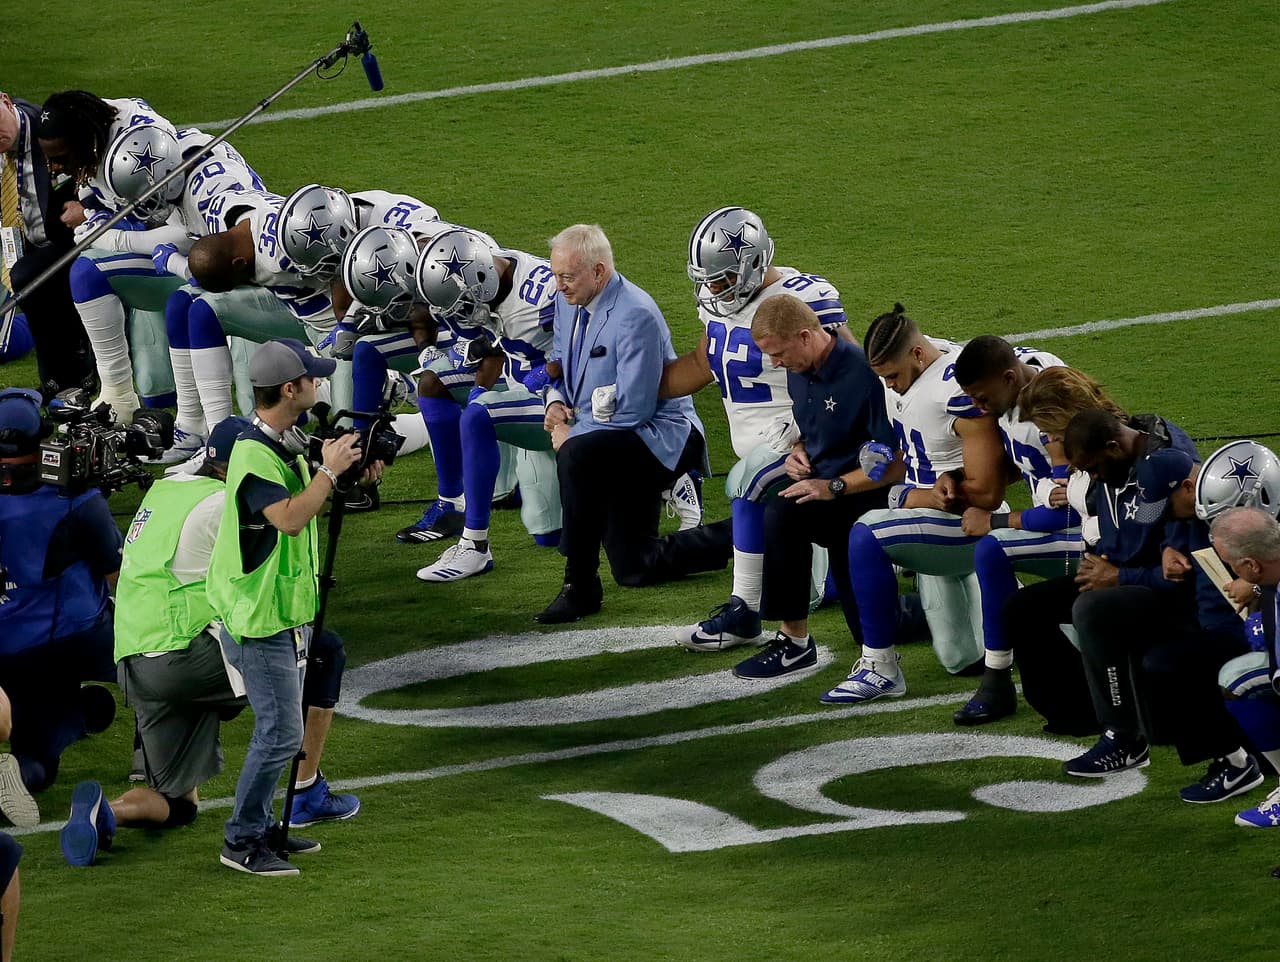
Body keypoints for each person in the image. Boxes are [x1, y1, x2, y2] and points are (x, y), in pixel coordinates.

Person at [58, 416, 360, 867]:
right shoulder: (227, 504)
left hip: (136, 658)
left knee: (179, 803)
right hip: (186, 656)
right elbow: (285, 542)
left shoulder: (166, 488)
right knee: (320, 654)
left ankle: (108, 813)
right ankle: (304, 794)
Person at [206, 339, 380, 877]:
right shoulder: (254, 455)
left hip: (278, 610)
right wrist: (326, 474)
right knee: (280, 732)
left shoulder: (283, 441)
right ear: (289, 388)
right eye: (311, 378)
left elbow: (309, 497)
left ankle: (264, 828)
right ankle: (241, 841)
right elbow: (288, 518)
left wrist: (347, 471)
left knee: (280, 729)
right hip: (257, 616)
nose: (318, 383)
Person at [660, 206, 849, 650]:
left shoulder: (803, 300)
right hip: (767, 459)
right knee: (820, 582)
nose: (713, 288)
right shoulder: (721, 307)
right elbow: (702, 364)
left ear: (753, 264)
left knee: (748, 485)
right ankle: (880, 561)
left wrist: (810, 431)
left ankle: (743, 610)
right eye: (707, 278)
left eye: (722, 278)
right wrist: (634, 392)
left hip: (807, 452)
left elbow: (849, 375)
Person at [829, 323, 1041, 703]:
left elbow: (987, 492)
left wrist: (908, 496)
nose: (890, 384)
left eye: (893, 375)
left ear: (917, 355)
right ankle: (1019, 607)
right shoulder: (907, 370)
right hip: (934, 516)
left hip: (964, 520)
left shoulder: (956, 392)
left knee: (867, 533)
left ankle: (879, 667)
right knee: (960, 658)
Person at [537, 224, 728, 623]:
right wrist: (555, 402)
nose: (559, 286)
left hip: (662, 437)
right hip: (615, 438)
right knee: (634, 567)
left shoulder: (635, 314)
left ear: (599, 271)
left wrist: (572, 433)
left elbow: (635, 409)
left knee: (577, 456)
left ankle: (580, 584)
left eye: (567, 277)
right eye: (556, 275)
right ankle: (745, 535)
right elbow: (558, 364)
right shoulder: (568, 302)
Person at [1062, 447, 1260, 799]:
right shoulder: (1189, 516)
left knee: (1170, 663)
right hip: (1213, 621)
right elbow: (1175, 557)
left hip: (1250, 627)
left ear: (1187, 487)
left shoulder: (1238, 516)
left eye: (1166, 504)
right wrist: (1168, 548)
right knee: (1156, 653)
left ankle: (1237, 763)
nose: (1165, 515)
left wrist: (1257, 586)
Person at [729, 296, 898, 680]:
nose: (775, 363)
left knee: (870, 626)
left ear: (805, 336)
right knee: (783, 514)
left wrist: (833, 486)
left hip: (862, 492)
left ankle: (922, 613)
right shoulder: (799, 368)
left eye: (778, 353)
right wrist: (798, 450)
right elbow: (811, 425)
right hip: (825, 488)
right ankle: (794, 641)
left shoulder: (863, 375)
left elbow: (893, 462)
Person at [411, 227, 564, 581]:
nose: (462, 315)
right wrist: (481, 386)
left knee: (478, 417)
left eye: (464, 305)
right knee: (548, 535)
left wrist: (547, 373)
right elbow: (495, 342)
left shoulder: (545, 294)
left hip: (570, 399)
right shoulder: (485, 271)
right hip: (527, 392)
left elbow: (593, 344)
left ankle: (474, 546)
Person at [946, 340, 1086, 724]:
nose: (978, 407)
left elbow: (1069, 513)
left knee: (992, 549)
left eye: (982, 397)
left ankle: (996, 678)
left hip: (1092, 532)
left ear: (1010, 378)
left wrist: (995, 521)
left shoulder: (1050, 419)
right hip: (1070, 517)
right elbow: (1022, 467)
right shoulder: (1023, 382)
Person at [0, 388, 120, 796]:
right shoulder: (73, 501)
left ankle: (79, 714)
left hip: (8, 654)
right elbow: (119, 575)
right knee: (162, 656)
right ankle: (151, 759)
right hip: (70, 640)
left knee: (34, 763)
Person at [36, 90, 185, 417]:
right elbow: (98, 202)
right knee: (86, 270)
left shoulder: (143, 148)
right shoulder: (94, 138)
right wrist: (96, 222)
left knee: (189, 304)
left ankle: (197, 423)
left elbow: (183, 230)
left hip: (193, 252)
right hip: (153, 242)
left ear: (84, 140)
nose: (54, 167)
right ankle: (116, 391)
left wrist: (113, 239)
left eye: (60, 157)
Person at [0, 90, 93, 396]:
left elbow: (95, 171)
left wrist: (88, 206)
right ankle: (58, 378)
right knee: (25, 278)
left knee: (27, 277)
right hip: (22, 242)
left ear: (6, 101)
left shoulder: (51, 131)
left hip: (75, 238)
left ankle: (80, 364)